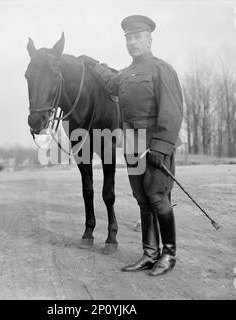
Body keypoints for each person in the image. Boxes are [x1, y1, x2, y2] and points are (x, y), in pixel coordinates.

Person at [79, 15, 183, 276]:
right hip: (132, 143)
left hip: (154, 144)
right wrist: (94, 64)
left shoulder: (162, 70)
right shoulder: (125, 75)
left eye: (138, 37)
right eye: (129, 38)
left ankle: (168, 254)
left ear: (149, 39)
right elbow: (110, 81)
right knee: (143, 200)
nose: (133, 42)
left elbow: (172, 112)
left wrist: (161, 146)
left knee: (158, 198)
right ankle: (150, 254)